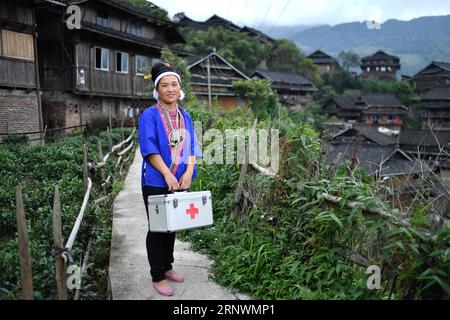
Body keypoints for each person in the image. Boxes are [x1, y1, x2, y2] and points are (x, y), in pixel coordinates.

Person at [138, 63, 202, 296]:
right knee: (157, 228)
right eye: (164, 85)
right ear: (157, 89)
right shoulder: (150, 115)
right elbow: (149, 147)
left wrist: (188, 172)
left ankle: (167, 267)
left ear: (180, 87)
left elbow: (192, 146)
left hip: (180, 180)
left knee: (172, 224)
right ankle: (157, 275)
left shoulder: (186, 116)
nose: (170, 89)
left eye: (174, 84)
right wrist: (166, 173)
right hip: (156, 180)